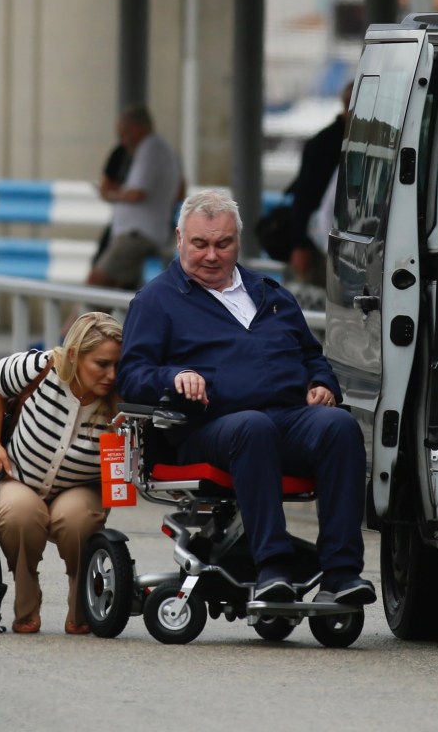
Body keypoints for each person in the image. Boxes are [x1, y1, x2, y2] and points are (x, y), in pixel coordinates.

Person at [117, 189, 376, 606]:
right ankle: (272, 567)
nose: (212, 256)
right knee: (252, 427)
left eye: (223, 244)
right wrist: (175, 375)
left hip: (287, 418)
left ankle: (342, 574)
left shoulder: (271, 295)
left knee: (340, 426)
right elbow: (130, 375)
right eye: (200, 244)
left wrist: (321, 384)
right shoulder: (157, 301)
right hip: (208, 428)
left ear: (238, 241)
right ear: (180, 238)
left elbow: (313, 356)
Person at [0, 312, 122, 634]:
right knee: (18, 514)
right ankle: (26, 606)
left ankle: (82, 608)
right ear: (74, 355)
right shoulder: (42, 367)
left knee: (77, 520)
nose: (111, 374)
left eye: (117, 364)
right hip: (21, 479)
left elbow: (123, 469)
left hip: (80, 487)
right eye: (102, 364)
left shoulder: (121, 397)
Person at [86, 104, 183, 291]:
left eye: (123, 134)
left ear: (136, 128)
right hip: (138, 232)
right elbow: (180, 188)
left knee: (96, 282)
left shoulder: (150, 148)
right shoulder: (159, 150)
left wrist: (111, 194)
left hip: (136, 235)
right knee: (119, 289)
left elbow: (137, 192)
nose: (122, 141)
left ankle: (85, 321)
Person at [287, 81, 353, 285]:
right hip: (318, 240)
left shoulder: (342, 139)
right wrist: (300, 244)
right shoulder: (325, 143)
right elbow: (305, 195)